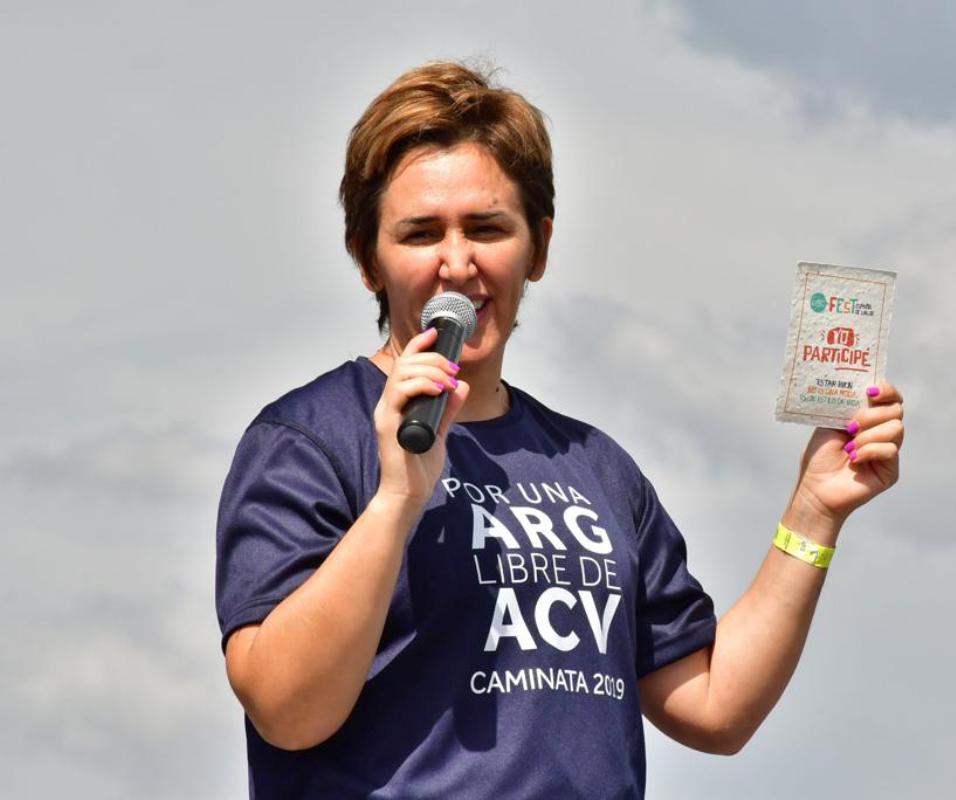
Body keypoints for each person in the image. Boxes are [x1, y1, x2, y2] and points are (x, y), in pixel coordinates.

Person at [215, 61, 904, 799]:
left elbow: (714, 706)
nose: (457, 264)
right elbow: (286, 711)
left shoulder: (596, 467)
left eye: (487, 228)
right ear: (366, 259)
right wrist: (395, 501)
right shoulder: (309, 441)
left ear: (538, 248)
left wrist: (814, 510)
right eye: (421, 233)